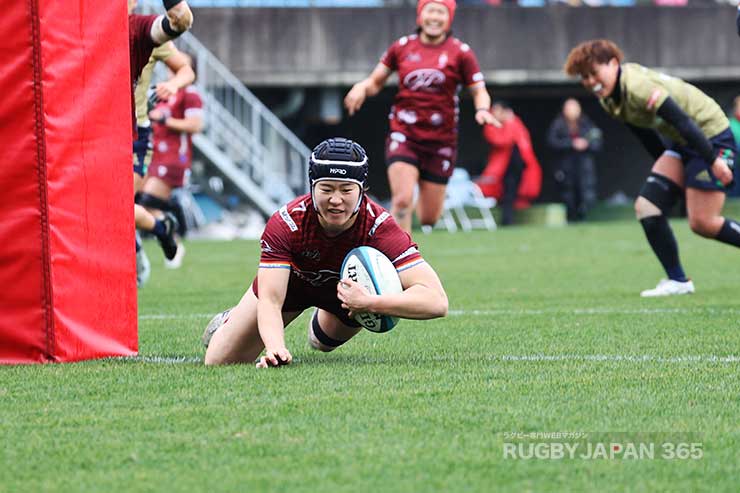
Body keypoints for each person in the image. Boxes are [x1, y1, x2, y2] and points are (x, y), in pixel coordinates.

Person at [203, 138, 448, 368]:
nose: (336, 200)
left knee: (321, 343)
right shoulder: (287, 222)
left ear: (362, 190)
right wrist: (275, 348)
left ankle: (322, 315)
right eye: (327, 188)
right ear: (312, 187)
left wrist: (370, 302)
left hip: (348, 295)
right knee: (218, 361)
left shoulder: (380, 228)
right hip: (292, 286)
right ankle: (231, 319)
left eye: (346, 190)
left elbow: (437, 302)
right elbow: (270, 299)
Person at [564, 39, 738, 297]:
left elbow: (682, 120)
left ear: (613, 64)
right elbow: (645, 134)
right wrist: (669, 172)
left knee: (702, 223)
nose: (590, 81)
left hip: (710, 136)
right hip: (682, 141)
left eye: (594, 73)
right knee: (647, 207)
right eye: (584, 77)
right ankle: (678, 280)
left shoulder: (637, 87)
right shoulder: (609, 100)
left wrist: (713, 160)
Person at [344, 0, 497, 234]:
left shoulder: (461, 53)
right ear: (420, 15)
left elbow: (479, 90)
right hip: (405, 134)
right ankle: (401, 258)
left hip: (441, 141)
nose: (434, 17)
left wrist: (483, 109)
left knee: (428, 218)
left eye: (441, 12)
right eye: (430, 10)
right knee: (402, 200)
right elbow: (376, 82)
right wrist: (361, 87)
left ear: (449, 18)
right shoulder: (402, 47)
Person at [128, 0, 193, 282]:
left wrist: (172, 85)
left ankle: (159, 229)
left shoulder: (142, 31)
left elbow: (186, 70)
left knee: (119, 207)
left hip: (135, 132)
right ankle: (156, 230)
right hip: (96, 131)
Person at [138, 54, 204, 269]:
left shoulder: (190, 94)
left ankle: (171, 236)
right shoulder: (165, 92)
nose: (172, 67)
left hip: (174, 159)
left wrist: (166, 120)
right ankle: (168, 231)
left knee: (146, 203)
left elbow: (195, 125)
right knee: (137, 202)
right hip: (154, 156)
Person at [477, 101, 542, 225]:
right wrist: (509, 123)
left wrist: (512, 122)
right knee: (506, 194)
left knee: (516, 193)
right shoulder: (491, 126)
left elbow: (523, 139)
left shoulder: (515, 123)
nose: (496, 114)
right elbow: (503, 141)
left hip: (518, 167)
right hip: (501, 169)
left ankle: (509, 220)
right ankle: (507, 221)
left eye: (498, 111)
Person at [546, 98, 603, 222]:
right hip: (566, 166)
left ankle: (583, 216)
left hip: (583, 166)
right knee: (567, 193)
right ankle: (570, 217)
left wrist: (586, 144)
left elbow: (597, 140)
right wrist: (571, 144)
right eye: (569, 108)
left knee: (585, 193)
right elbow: (552, 142)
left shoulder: (586, 123)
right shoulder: (559, 124)